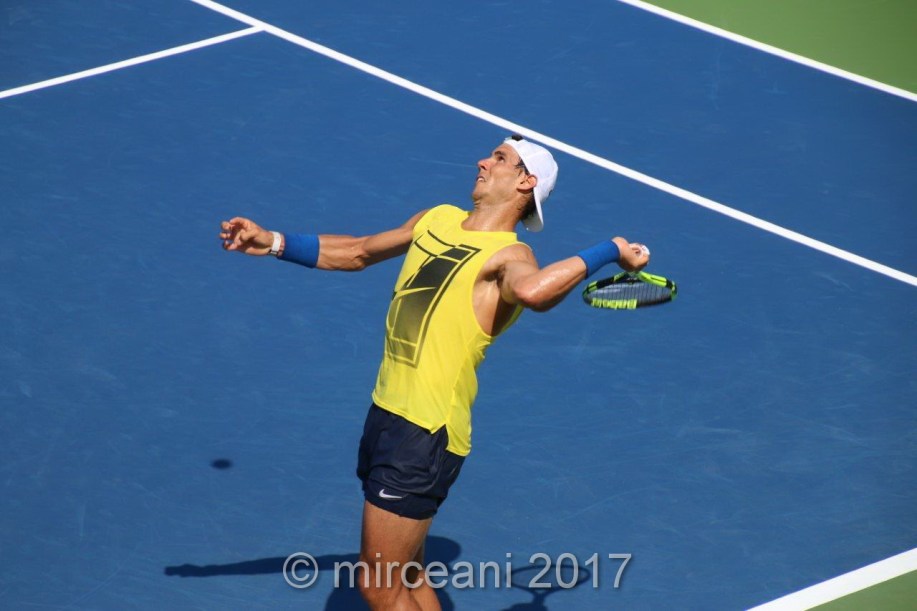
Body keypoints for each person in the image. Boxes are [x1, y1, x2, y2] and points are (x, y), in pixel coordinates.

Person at [219, 135, 649, 610]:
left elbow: (533, 292)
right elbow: (358, 251)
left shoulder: (511, 257)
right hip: (387, 412)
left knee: (379, 587)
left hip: (425, 430)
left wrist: (610, 249)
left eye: (499, 158)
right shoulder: (437, 218)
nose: (483, 161)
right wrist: (273, 242)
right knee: (407, 575)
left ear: (525, 183)